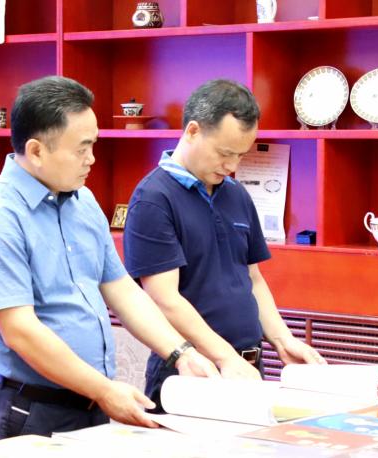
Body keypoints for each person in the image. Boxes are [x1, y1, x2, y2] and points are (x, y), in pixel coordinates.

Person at [0, 76, 219, 443]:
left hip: (92, 403)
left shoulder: (83, 201)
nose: (92, 159)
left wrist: (180, 353)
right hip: (29, 410)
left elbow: (122, 290)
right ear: (36, 151)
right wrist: (105, 390)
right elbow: (21, 331)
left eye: (93, 144)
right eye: (82, 148)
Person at [123, 79, 326, 412]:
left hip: (246, 366)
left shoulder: (236, 194)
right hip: (193, 371)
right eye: (224, 153)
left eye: (240, 155)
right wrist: (225, 357)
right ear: (192, 131)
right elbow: (164, 298)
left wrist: (282, 339)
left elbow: (252, 279)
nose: (232, 166)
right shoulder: (154, 198)